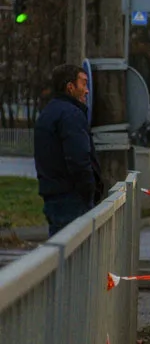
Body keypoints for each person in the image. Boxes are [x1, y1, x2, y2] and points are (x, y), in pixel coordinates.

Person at [34, 64, 103, 236]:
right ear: (70, 87)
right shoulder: (71, 115)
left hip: (54, 195)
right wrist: (89, 191)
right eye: (84, 84)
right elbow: (79, 159)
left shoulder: (48, 112)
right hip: (72, 198)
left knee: (61, 252)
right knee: (76, 255)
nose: (87, 90)